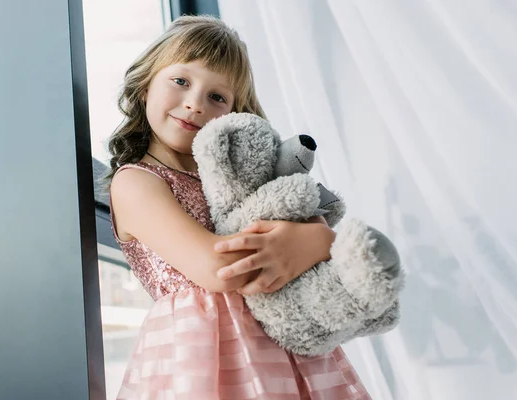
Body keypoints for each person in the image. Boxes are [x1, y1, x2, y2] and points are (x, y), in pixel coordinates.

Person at [106, 15, 371, 400]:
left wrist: (320, 236)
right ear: (146, 85)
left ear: (233, 115)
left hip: (288, 342)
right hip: (201, 356)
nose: (195, 104)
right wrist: (315, 239)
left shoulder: (239, 183)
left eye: (217, 96)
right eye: (181, 81)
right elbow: (220, 268)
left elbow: (313, 232)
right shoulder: (136, 182)